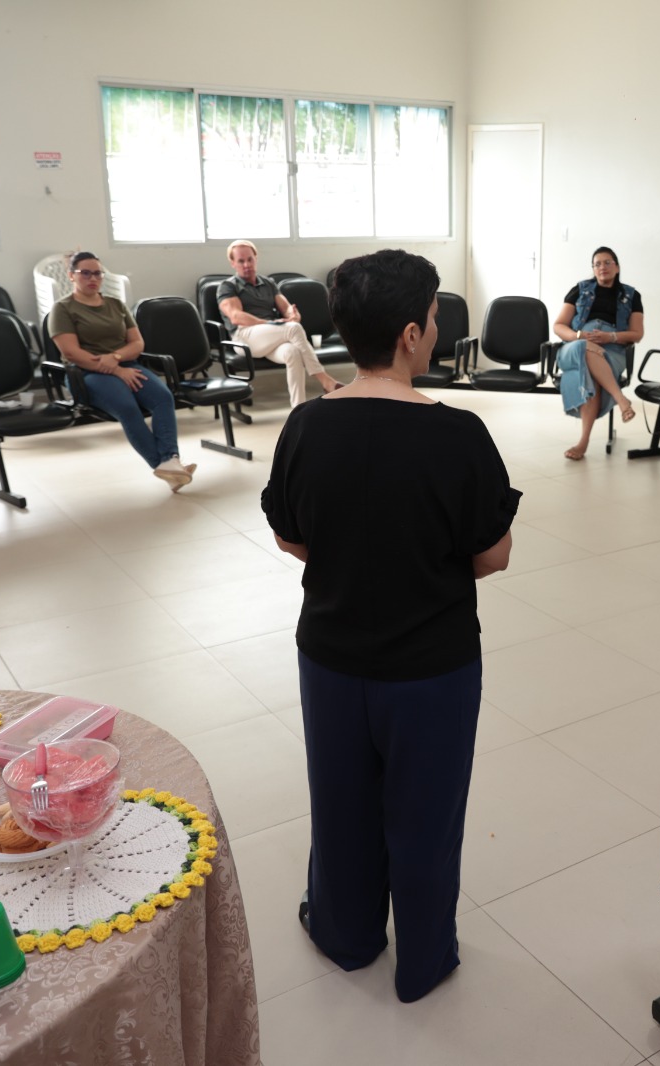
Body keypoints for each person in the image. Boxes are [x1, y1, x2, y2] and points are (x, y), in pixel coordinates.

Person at [262, 249, 519, 1004]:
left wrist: (351, 558)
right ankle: (424, 958)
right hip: (432, 668)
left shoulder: (308, 426)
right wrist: (423, 568)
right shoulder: (459, 435)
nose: (437, 329)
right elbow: (493, 555)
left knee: (340, 802)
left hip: (332, 658)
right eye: (436, 317)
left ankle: (345, 935)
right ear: (411, 333)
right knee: (426, 815)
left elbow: (289, 536)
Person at [48, 251, 195, 491]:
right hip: (86, 373)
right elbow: (72, 352)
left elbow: (137, 344)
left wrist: (115, 358)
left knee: (162, 397)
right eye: (85, 273)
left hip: (125, 364)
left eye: (97, 273)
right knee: (127, 407)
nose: (92, 278)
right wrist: (116, 370)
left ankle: (170, 460)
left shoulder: (115, 304)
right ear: (71, 276)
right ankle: (163, 465)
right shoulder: (63, 308)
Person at [217, 240, 342, 407]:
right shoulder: (227, 286)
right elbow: (236, 317)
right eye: (240, 261)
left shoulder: (268, 283)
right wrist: (272, 323)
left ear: (256, 258)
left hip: (268, 337)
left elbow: (286, 308)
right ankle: (325, 381)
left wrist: (293, 314)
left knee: (292, 352)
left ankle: (298, 409)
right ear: (233, 263)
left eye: (250, 259)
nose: (246, 264)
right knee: (293, 329)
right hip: (244, 338)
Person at [553, 246, 642, 459]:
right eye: (597, 263)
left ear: (617, 267)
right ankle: (621, 398)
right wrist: (581, 337)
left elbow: (637, 334)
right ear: (593, 269)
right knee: (584, 350)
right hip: (575, 346)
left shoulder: (631, 295)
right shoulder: (579, 290)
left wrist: (610, 337)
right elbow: (558, 326)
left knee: (592, 375)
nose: (602, 267)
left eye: (607, 262)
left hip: (612, 349)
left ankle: (583, 443)